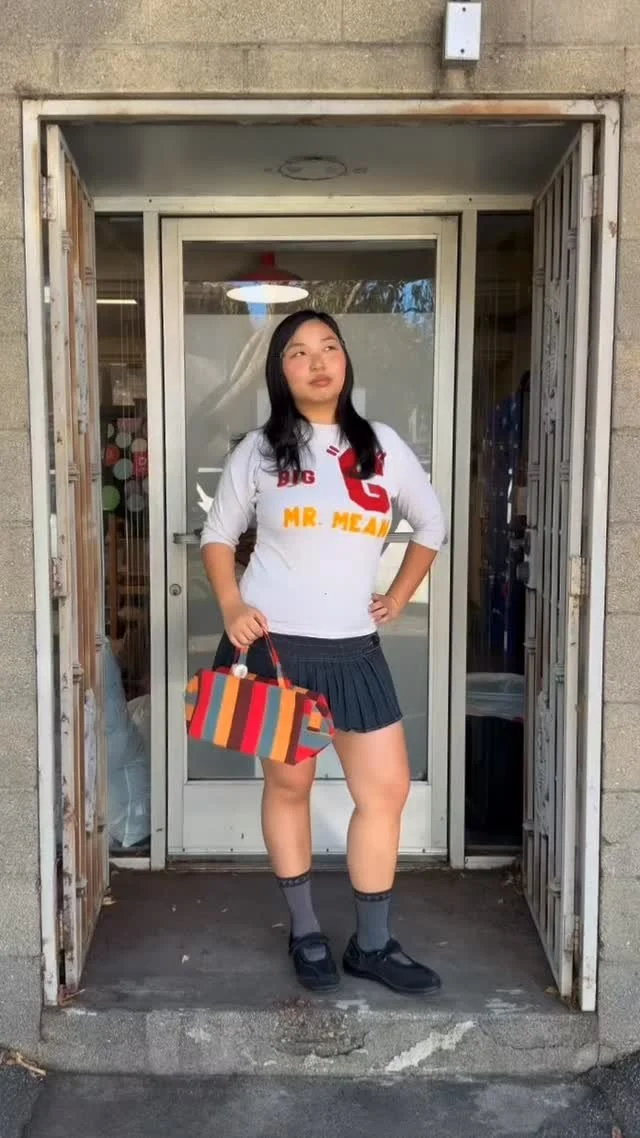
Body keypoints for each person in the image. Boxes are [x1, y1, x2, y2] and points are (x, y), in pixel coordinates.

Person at [200, 310, 445, 995]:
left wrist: (398, 596)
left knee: (386, 790)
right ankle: (306, 932)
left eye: (328, 347)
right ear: (280, 372)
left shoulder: (383, 446)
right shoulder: (260, 450)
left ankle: (373, 944)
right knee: (291, 786)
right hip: (277, 650)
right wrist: (232, 606)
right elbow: (218, 536)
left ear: (345, 360)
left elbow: (431, 523)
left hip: (355, 650)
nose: (317, 362)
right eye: (299, 352)